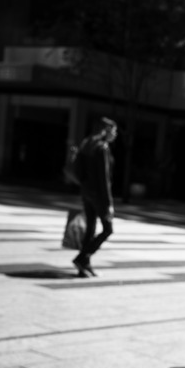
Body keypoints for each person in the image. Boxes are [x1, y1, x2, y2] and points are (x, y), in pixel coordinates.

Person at [72, 117, 117, 277]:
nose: (115, 134)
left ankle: (84, 266)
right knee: (108, 229)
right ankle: (82, 258)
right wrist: (109, 203)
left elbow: (78, 171)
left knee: (90, 229)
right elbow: (104, 179)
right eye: (113, 130)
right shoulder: (102, 147)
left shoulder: (87, 143)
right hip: (98, 196)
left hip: (86, 192)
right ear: (105, 130)